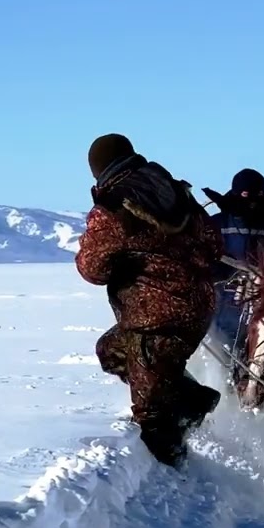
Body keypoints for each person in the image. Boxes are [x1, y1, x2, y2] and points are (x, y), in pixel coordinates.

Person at [75, 133, 224, 467]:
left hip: (153, 319)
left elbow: (92, 268)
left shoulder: (113, 206)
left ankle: (172, 484)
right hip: (197, 307)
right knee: (111, 350)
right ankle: (190, 398)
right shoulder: (176, 192)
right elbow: (215, 244)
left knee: (152, 420)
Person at [202, 168, 264, 362]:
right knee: (225, 335)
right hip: (226, 295)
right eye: (246, 196)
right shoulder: (217, 224)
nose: (251, 202)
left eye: (257, 196)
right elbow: (204, 258)